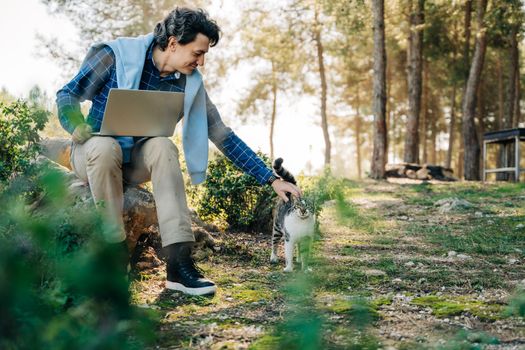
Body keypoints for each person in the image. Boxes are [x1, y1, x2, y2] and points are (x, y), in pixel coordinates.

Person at [56, 7, 301, 296]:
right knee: (105, 145)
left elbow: (222, 134)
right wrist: (74, 124)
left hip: (135, 162)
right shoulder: (115, 55)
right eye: (197, 53)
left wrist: (271, 178)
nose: (202, 62)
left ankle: (178, 264)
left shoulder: (188, 83)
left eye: (204, 54)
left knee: (162, 145)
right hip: (94, 154)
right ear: (173, 43)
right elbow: (68, 94)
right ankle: (115, 253)